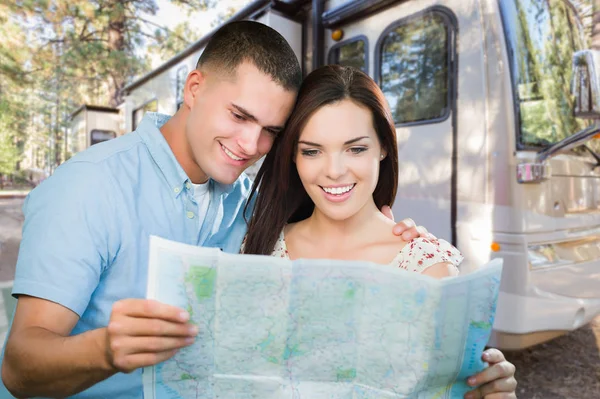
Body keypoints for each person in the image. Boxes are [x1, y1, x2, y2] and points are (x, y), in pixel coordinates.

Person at [0, 21, 427, 398]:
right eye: (239, 115)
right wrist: (105, 348)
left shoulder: (254, 201)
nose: (249, 145)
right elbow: (20, 368)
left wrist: (391, 238)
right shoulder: (90, 186)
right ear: (194, 88)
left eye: (270, 131)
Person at [243, 65, 517, 399]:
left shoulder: (427, 269)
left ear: (383, 147)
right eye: (312, 151)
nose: (334, 171)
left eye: (355, 149)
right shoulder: (259, 247)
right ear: (293, 157)